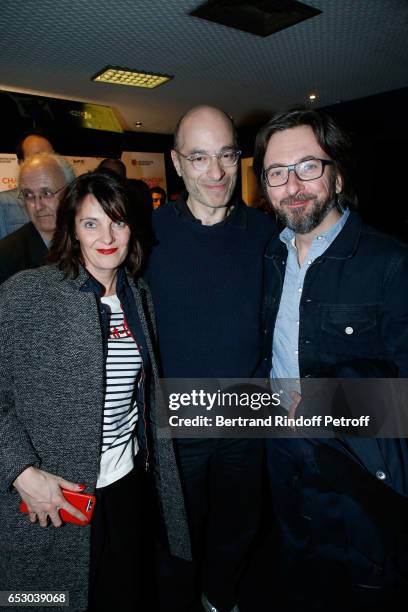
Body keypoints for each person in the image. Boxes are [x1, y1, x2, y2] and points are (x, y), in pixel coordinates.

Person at [0, 170, 190, 612]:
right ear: (72, 229)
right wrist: (21, 473)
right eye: (91, 223)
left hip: (125, 487)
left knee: (123, 596)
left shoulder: (138, 296)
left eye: (117, 222)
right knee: (45, 600)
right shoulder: (27, 294)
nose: (106, 236)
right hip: (49, 494)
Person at [253, 108, 408, 611]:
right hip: (281, 452)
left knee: (364, 582)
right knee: (298, 568)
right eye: (277, 172)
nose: (292, 185)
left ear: (337, 175)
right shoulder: (269, 258)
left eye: (308, 167)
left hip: (358, 464)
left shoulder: (390, 263)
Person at [146, 105, 276, 612]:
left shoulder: (267, 235)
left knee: (239, 528)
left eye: (225, 155)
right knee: (177, 540)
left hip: (248, 418)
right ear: (177, 163)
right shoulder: (147, 234)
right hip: (178, 423)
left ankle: (219, 596)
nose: (216, 172)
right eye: (199, 158)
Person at [0, 152, 75, 284]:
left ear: (70, 191)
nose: (38, 206)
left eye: (47, 193)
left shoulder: (91, 241)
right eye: (28, 195)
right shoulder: (5, 257)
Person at [0, 129, 54, 239]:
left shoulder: (64, 198)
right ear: (21, 163)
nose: (45, 162)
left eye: (50, 156)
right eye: (37, 157)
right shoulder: (4, 203)